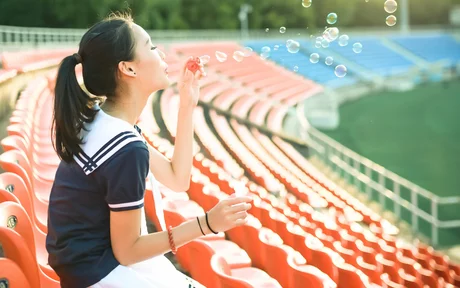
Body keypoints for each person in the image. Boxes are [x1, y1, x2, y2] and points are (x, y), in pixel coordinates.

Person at [46, 12, 252, 288]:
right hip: (100, 275)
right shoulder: (125, 149)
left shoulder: (102, 120)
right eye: (151, 46)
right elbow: (128, 250)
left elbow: (178, 179)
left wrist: (187, 104)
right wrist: (207, 224)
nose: (161, 53)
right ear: (128, 69)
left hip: (88, 268)